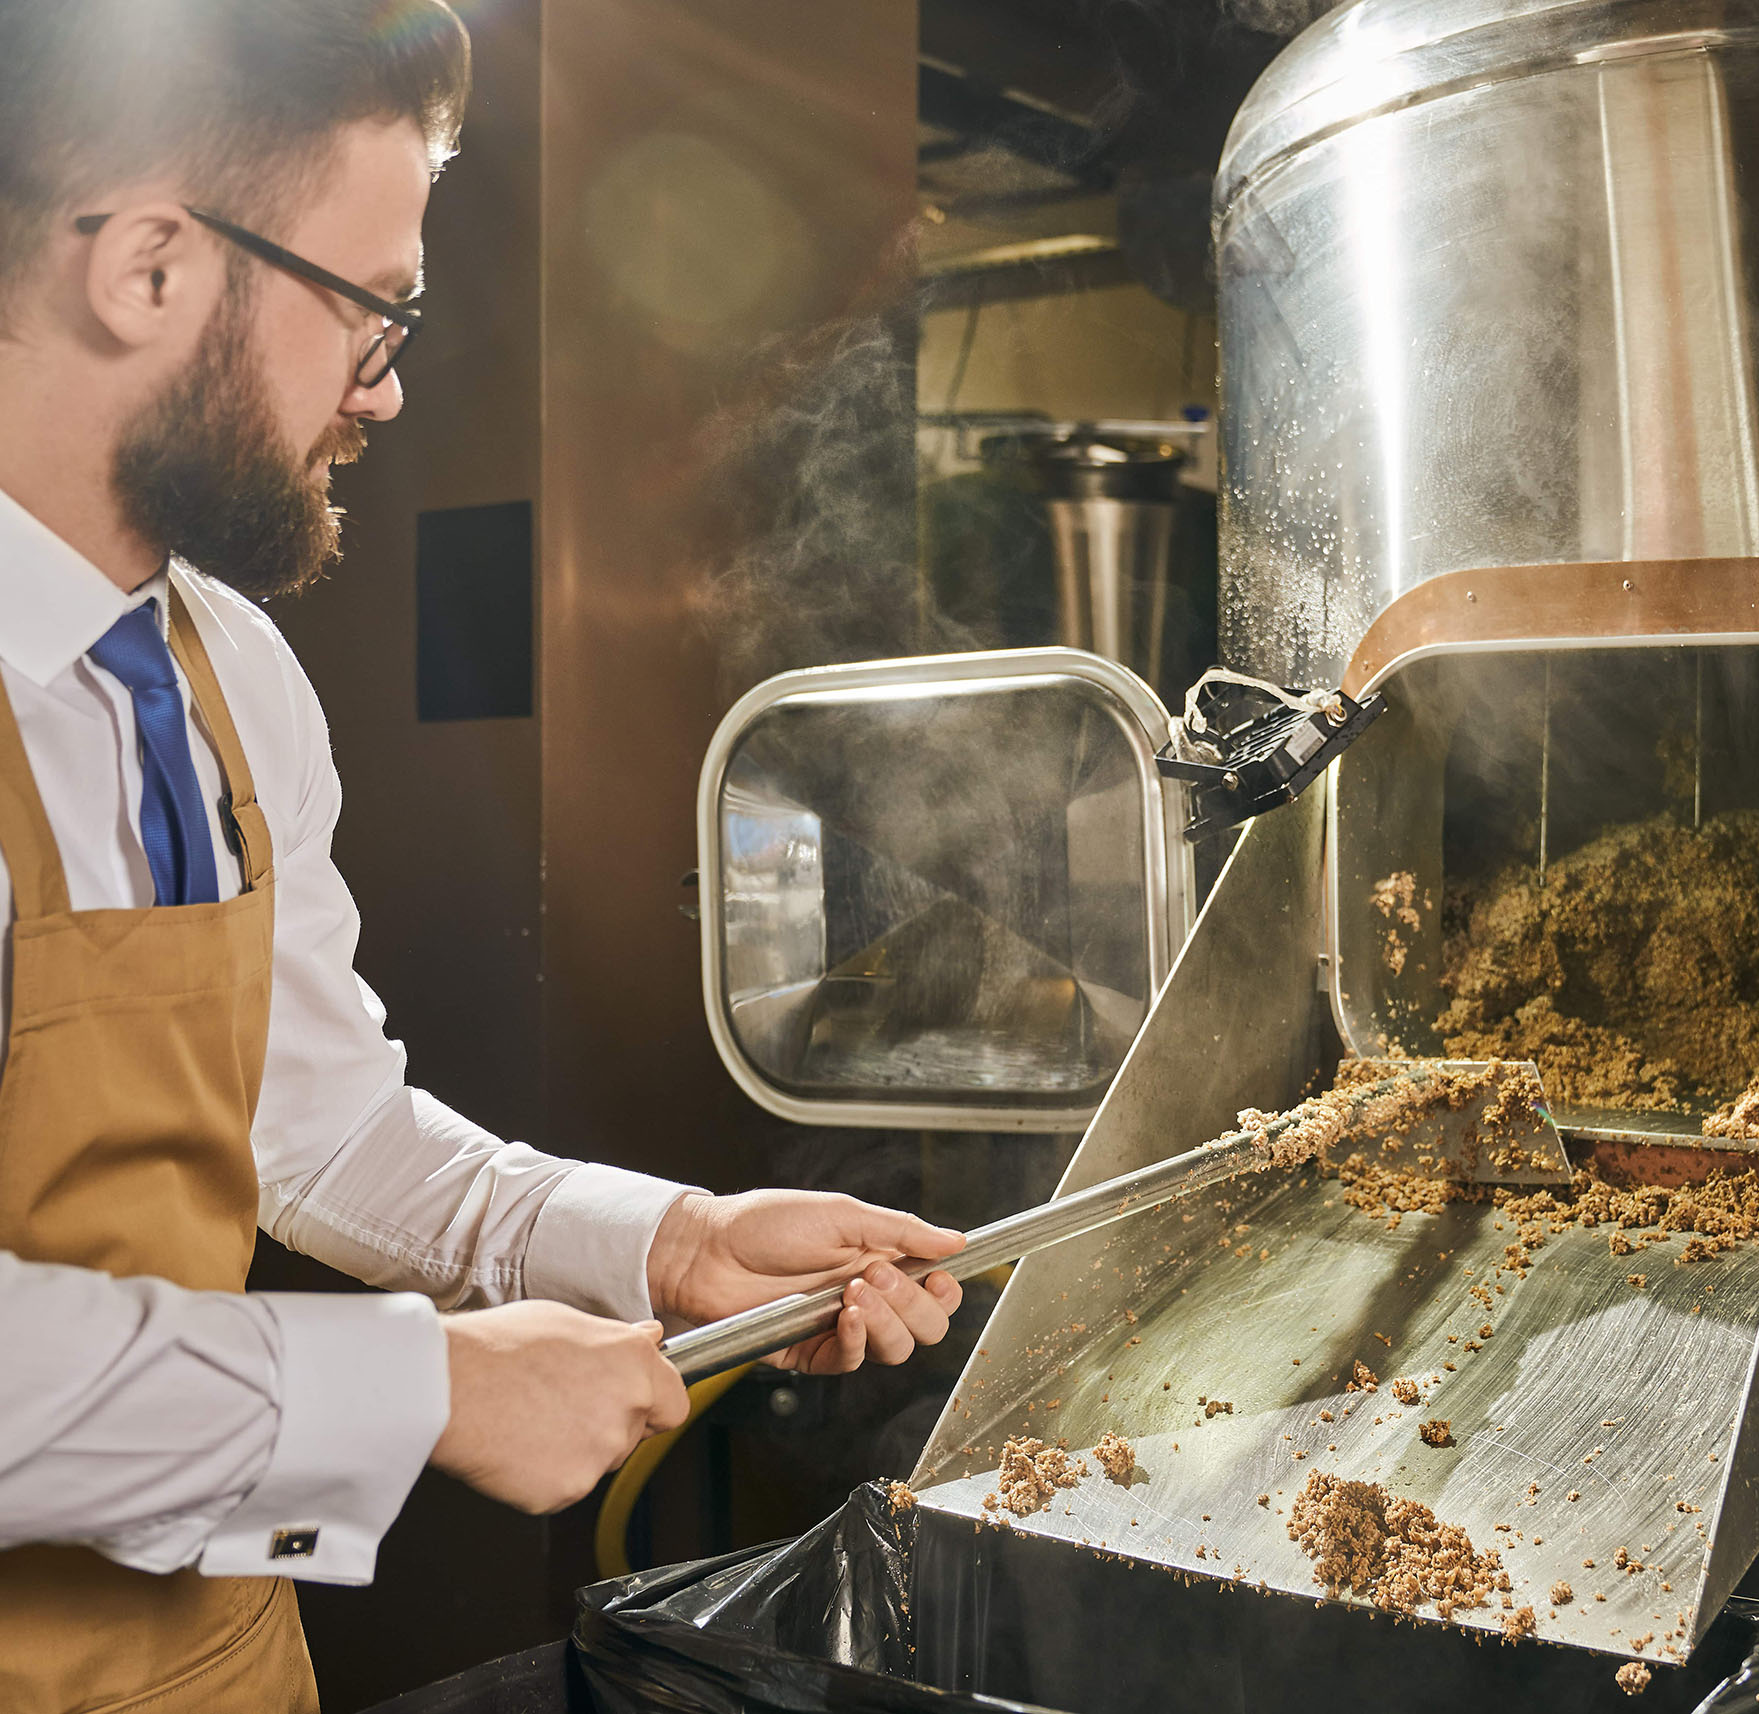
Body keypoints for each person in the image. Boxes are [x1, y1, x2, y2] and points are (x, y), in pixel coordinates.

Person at [0, 4, 968, 1709]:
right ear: (148, 267)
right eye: (374, 308)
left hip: (218, 1659)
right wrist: (420, 1389)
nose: (385, 386)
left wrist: (669, 1243)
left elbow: (318, 1126)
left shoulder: (227, 673)